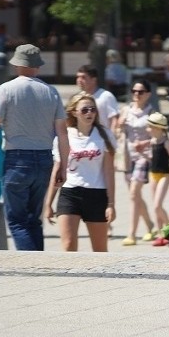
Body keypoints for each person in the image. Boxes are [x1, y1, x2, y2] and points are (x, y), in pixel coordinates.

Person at [0, 44, 70, 251]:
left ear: (16, 64)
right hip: (45, 159)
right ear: (38, 66)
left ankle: (31, 266)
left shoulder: (7, 89)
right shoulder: (51, 92)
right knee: (33, 219)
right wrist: (63, 166)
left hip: (17, 160)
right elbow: (62, 133)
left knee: (17, 220)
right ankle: (39, 261)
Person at [43, 93, 116, 252]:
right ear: (74, 112)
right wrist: (48, 203)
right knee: (68, 246)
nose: (89, 113)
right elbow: (57, 170)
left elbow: (109, 172)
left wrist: (111, 204)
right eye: (84, 110)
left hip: (97, 194)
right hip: (70, 193)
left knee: (100, 250)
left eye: (92, 109)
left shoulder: (104, 135)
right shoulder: (64, 136)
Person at [117, 79, 157, 245]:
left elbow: (159, 137)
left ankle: (131, 234)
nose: (136, 94)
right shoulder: (125, 110)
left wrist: (145, 143)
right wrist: (119, 124)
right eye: (134, 91)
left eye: (140, 92)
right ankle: (150, 225)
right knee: (135, 196)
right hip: (127, 157)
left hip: (144, 157)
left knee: (134, 193)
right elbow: (117, 130)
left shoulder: (151, 112)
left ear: (148, 94)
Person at [145, 112, 169, 247]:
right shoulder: (152, 141)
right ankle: (161, 234)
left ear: (158, 128)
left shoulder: (166, 142)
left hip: (165, 175)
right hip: (153, 175)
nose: (148, 129)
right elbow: (154, 159)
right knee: (155, 207)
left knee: (158, 205)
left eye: (150, 127)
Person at [76, 65, 120, 131]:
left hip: (103, 138)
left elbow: (114, 120)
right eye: (78, 77)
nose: (79, 80)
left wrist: (111, 138)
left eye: (83, 77)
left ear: (94, 79)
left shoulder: (106, 96)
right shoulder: (78, 97)